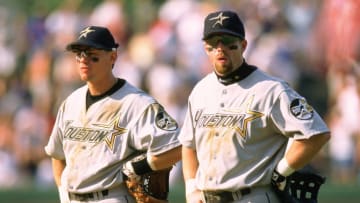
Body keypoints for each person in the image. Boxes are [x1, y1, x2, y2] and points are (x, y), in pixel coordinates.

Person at [178, 10, 331, 203]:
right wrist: (191, 188)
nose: (220, 48)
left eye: (227, 40)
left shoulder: (271, 90)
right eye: (213, 42)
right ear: (205, 47)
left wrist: (282, 171)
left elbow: (316, 133)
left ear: (243, 45)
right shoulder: (200, 91)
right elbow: (188, 145)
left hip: (253, 196)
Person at [44, 26, 181, 203]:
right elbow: (57, 155)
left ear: (112, 57)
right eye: (79, 54)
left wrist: (139, 166)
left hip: (112, 196)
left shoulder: (137, 103)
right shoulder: (71, 102)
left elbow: (178, 148)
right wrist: (63, 195)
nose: (83, 59)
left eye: (92, 54)